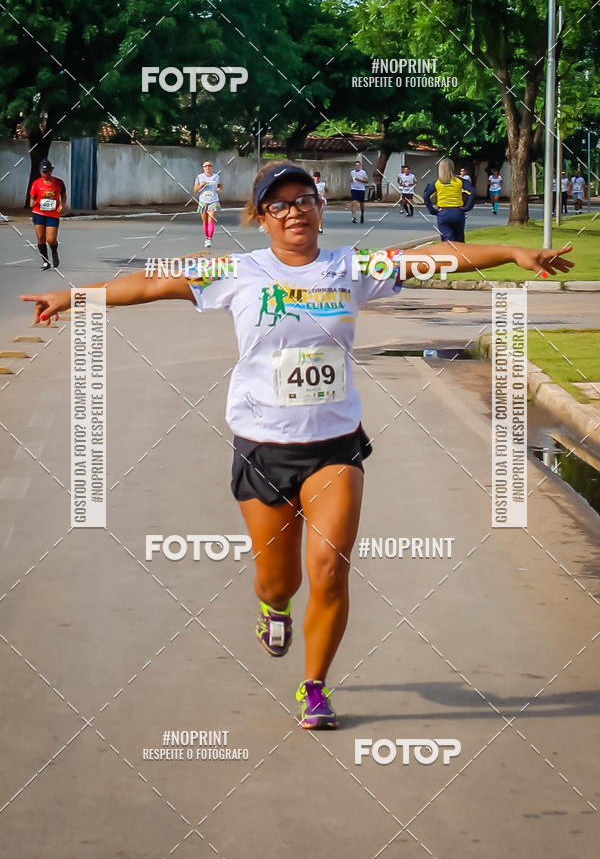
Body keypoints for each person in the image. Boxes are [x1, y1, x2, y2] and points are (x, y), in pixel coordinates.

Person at [21, 162, 574, 730]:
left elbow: (437, 256)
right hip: (262, 448)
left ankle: (314, 686)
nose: (293, 211)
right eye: (278, 204)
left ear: (320, 206)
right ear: (261, 218)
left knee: (330, 570)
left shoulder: (352, 267)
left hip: (334, 446)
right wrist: (73, 297)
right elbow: (150, 284)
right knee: (278, 580)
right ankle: (274, 608)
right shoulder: (237, 272)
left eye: (303, 199)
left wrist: (511, 251)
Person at [423, 157, 475, 242]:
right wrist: (467, 207)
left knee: (447, 242)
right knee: (459, 240)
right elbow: (472, 191)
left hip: (443, 213)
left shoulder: (437, 182)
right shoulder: (459, 181)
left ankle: (449, 254)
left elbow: (426, 195)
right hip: (458, 212)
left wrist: (433, 211)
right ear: (452, 168)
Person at [29, 158, 66, 270]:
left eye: (48, 171)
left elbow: (63, 196)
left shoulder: (59, 182)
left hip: (53, 215)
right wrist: (32, 202)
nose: (46, 174)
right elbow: (32, 199)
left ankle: (54, 252)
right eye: (43, 172)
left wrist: (62, 205)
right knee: (40, 238)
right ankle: (45, 262)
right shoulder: (36, 183)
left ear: (52, 170)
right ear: (40, 172)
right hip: (39, 213)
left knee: (51, 239)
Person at [194, 160, 222, 247]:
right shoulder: (199, 177)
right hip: (203, 201)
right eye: (205, 166)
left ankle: (209, 239)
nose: (207, 167)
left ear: (211, 167)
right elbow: (195, 190)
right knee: (205, 221)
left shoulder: (216, 176)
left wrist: (219, 189)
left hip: (213, 201)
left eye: (209, 166)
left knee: (211, 220)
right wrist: (201, 185)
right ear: (203, 168)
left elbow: (219, 185)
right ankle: (206, 237)